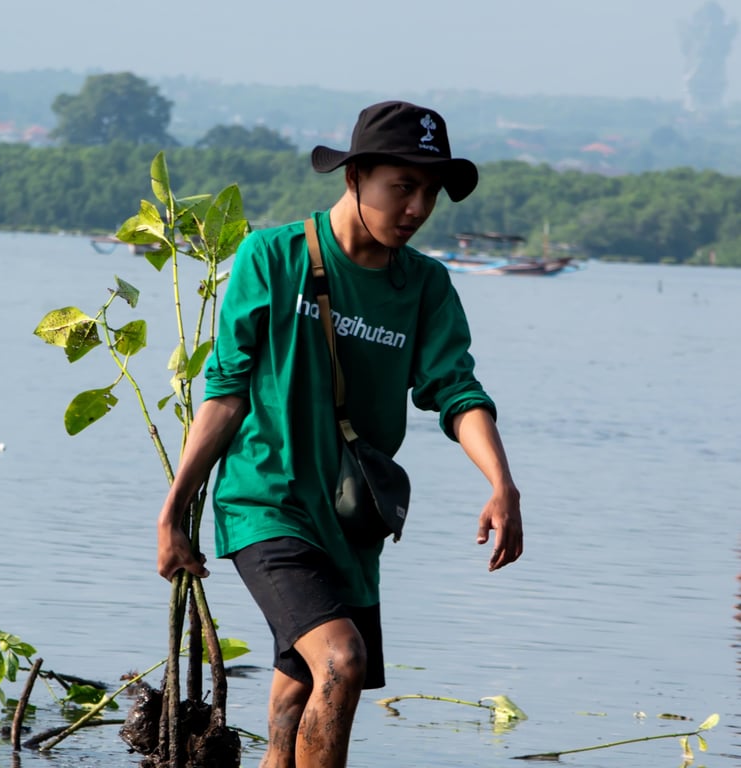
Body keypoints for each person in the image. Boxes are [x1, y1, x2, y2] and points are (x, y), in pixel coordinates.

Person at [157, 100, 523, 768]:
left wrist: (501, 484)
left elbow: (455, 390)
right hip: (266, 503)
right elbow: (226, 391)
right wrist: (174, 511)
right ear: (354, 178)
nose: (415, 208)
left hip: (351, 521)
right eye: (401, 187)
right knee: (342, 659)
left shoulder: (425, 285)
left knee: (299, 687)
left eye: (429, 193)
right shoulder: (272, 257)